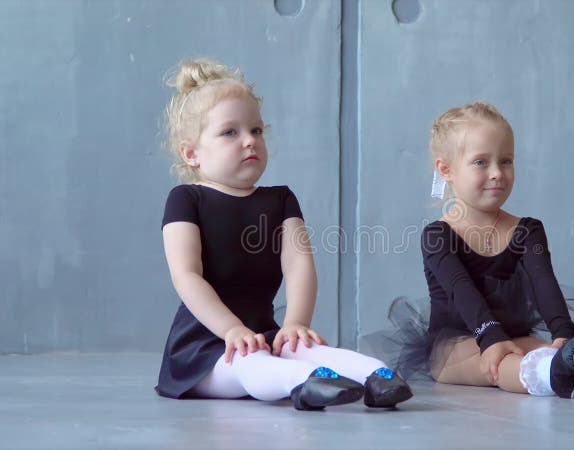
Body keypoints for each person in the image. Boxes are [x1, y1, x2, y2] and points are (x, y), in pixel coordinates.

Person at [155, 58, 412, 410]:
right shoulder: (186, 200)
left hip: (262, 332)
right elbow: (186, 275)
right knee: (248, 362)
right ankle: (303, 383)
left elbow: (299, 266)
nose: (249, 141)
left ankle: (379, 376)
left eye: (256, 130)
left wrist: (295, 324)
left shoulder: (280, 200)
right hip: (205, 346)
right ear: (192, 153)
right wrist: (231, 330)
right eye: (230, 132)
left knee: (304, 347)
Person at [421, 101, 574, 398]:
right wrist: (491, 337)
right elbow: (461, 289)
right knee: (498, 361)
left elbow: (543, 283)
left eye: (506, 161)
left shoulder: (527, 230)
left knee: (545, 350)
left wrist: (563, 336)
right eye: (481, 162)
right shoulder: (438, 235)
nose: (497, 172)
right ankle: (553, 377)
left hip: (514, 335)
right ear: (446, 170)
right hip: (457, 344)